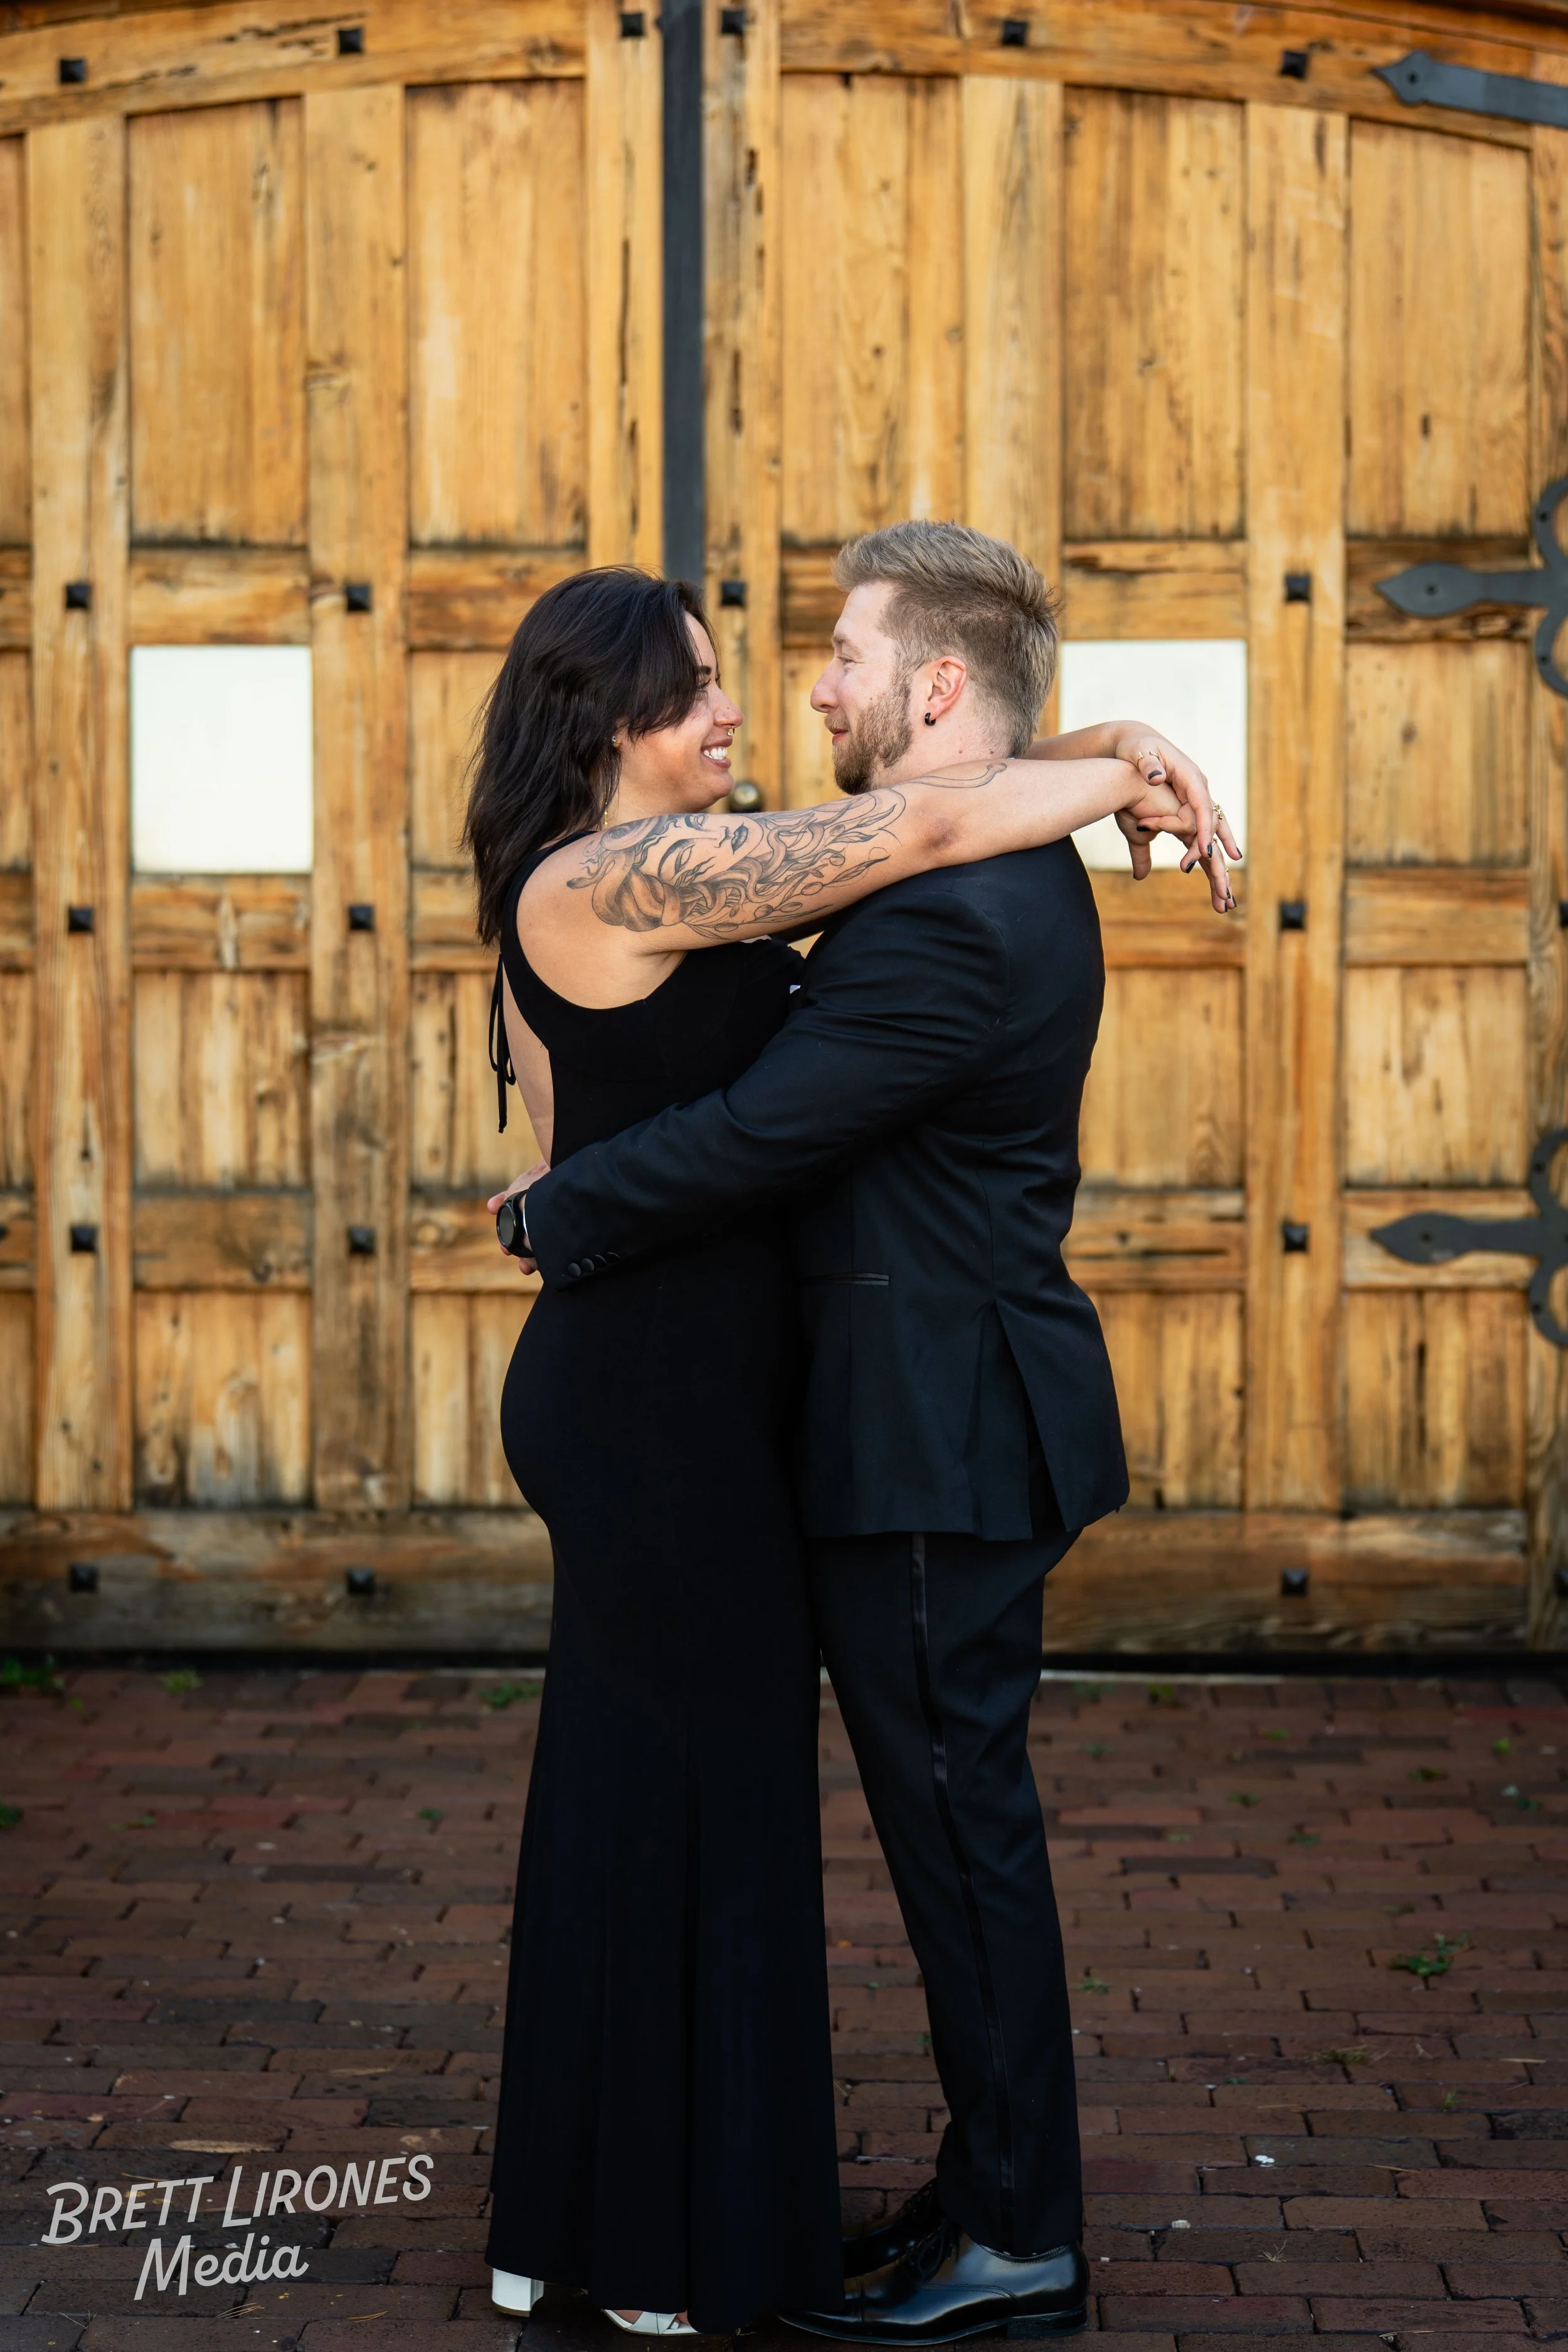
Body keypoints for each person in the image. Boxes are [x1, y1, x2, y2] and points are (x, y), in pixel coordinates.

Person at [493, 524, 1241, 2344]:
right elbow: (878, 854)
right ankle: (960, 2198)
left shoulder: (953, 910)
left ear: (924, 689)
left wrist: (556, 1213)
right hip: (792, 1422)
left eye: (832, 656)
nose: (790, 687)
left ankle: (1012, 2230)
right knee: (824, 1820)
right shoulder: (875, 874)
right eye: (722, 675)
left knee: (954, 1837)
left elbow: (758, 1127)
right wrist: (1109, 754)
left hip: (934, 1440)